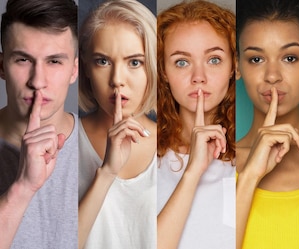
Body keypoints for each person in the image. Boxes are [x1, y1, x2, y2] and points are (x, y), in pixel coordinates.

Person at [76, 0, 157, 248]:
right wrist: (107, 173)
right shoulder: (64, 142)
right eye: (103, 61)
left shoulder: (175, 145)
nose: (117, 80)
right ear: (86, 66)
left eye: (134, 62)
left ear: (152, 66)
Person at [156, 1, 236, 248]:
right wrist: (192, 173)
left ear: (233, 67)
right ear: (164, 71)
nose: (198, 77)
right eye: (182, 62)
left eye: (214, 60)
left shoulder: (254, 152)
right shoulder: (140, 154)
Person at [235, 0, 299, 248]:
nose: (272, 75)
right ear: (237, 66)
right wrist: (248, 177)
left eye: (289, 58)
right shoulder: (213, 161)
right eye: (256, 59)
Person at [0, 0, 78, 248]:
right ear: (2, 66)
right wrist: (22, 188)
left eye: (54, 61)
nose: (38, 81)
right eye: (23, 60)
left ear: (74, 70)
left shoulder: (103, 148)